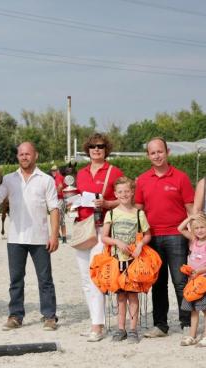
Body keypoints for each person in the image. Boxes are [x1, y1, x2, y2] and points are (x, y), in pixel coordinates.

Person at [0, 142, 60, 331]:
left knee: (45, 280)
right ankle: (15, 316)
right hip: (15, 238)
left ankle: (49, 316)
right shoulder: (9, 180)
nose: (24, 157)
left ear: (35, 155)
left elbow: (54, 209)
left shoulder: (46, 180)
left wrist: (54, 235)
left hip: (40, 238)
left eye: (28, 154)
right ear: (17, 157)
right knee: (15, 280)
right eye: (21, 154)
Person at [135, 137, 195, 338]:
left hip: (177, 236)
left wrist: (195, 236)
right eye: (153, 153)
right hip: (152, 238)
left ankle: (186, 322)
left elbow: (190, 210)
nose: (157, 156)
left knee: (180, 281)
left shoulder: (181, 177)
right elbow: (138, 211)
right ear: (148, 156)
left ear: (167, 152)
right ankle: (160, 325)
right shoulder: (142, 180)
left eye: (160, 151)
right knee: (158, 282)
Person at [75, 133, 123, 342]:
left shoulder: (114, 172)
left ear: (106, 149)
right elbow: (74, 197)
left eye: (101, 146)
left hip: (103, 228)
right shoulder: (81, 173)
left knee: (96, 276)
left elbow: (123, 199)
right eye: (93, 146)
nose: (96, 149)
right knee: (86, 278)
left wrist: (107, 204)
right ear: (88, 149)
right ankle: (96, 320)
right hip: (83, 228)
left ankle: (98, 325)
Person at [102, 177, 151, 343]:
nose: (123, 194)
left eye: (127, 191)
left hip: (134, 262)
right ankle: (120, 328)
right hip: (117, 261)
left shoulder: (139, 213)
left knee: (133, 296)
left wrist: (139, 246)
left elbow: (147, 235)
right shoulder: (111, 213)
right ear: (115, 194)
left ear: (132, 193)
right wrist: (116, 241)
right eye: (120, 192)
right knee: (121, 296)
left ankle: (132, 329)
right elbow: (104, 237)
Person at [178, 213, 206, 346]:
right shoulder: (194, 241)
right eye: (197, 228)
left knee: (205, 310)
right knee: (193, 310)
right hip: (193, 281)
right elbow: (180, 229)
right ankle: (192, 336)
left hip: (204, 281)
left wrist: (200, 271)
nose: (200, 230)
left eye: (203, 227)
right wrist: (190, 218)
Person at [50, 165, 67, 243]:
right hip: (60, 199)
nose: (53, 172)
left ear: (58, 170)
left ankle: (63, 237)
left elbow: (60, 186)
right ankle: (61, 236)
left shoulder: (58, 177)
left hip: (59, 199)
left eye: (55, 170)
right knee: (59, 218)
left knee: (60, 219)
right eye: (52, 170)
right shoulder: (58, 177)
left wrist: (54, 194)